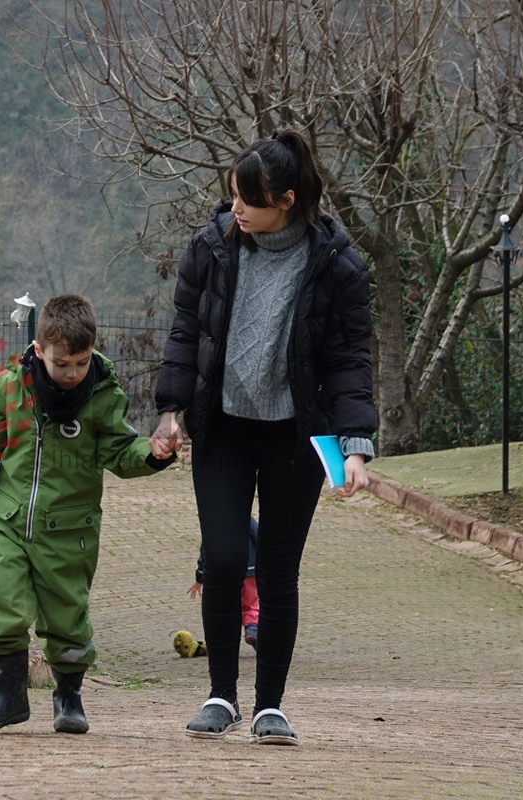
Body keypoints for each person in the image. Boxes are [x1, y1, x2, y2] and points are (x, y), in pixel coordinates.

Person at [153, 129, 376, 746]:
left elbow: (350, 360)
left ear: (285, 198)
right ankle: (220, 695)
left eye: (247, 200)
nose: (235, 210)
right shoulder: (212, 247)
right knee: (223, 560)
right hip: (222, 430)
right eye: (232, 197)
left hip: (294, 438)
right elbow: (183, 331)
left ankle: (269, 706)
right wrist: (171, 410)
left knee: (278, 571)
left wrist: (355, 444)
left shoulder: (338, 264)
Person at [0, 294, 177, 735]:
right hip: (10, 521)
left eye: (80, 364)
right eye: (62, 363)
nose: (71, 373)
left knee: (67, 615)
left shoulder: (104, 398)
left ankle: (69, 697)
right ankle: (8, 697)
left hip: (70, 530)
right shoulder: (9, 387)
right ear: (40, 349)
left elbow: (121, 453)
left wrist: (155, 455)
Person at [175, 516, 260, 657]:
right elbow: (257, 535)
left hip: (225, 570)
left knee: (227, 605)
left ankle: (224, 641)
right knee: (251, 603)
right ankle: (252, 628)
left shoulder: (214, 518)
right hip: (250, 569)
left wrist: (200, 576)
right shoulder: (246, 517)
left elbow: (206, 549)